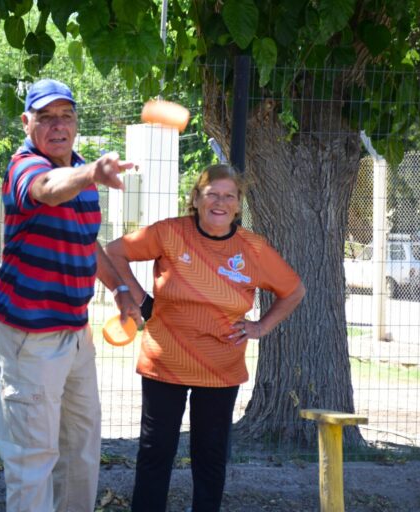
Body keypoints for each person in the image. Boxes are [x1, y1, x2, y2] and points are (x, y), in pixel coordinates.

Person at [104, 163, 306, 511]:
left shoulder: (253, 249)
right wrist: (137, 297)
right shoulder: (169, 233)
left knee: (209, 458)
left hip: (220, 367)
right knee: (156, 452)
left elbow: (294, 290)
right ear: (196, 198)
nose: (220, 202)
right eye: (212, 194)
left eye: (229, 196)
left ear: (239, 204)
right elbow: (115, 251)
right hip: (164, 361)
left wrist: (261, 326)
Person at [0, 78, 142, 512]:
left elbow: (87, 241)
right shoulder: (26, 167)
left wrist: (123, 289)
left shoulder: (80, 175)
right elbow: (47, 190)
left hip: (75, 333)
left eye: (66, 116)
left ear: (76, 122)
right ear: (26, 122)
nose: (58, 126)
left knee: (80, 451)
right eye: (46, 117)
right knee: (32, 458)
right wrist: (91, 171)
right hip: (29, 334)